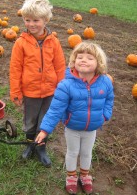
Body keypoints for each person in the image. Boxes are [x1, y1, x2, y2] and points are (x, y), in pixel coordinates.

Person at [35, 42, 114, 194]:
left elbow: (109, 99)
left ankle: (84, 175)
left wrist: (105, 115)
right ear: (74, 61)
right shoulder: (66, 85)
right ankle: (71, 176)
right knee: (72, 152)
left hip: (92, 128)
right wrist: (44, 130)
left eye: (90, 58)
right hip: (72, 127)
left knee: (86, 152)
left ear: (99, 63)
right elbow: (55, 109)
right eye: (80, 57)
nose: (84, 60)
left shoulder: (105, 82)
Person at [9, 0, 66, 167]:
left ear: (46, 20)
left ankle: (41, 148)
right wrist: (16, 92)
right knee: (31, 121)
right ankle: (29, 144)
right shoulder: (20, 43)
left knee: (45, 121)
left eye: (36, 20)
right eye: (27, 20)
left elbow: (60, 66)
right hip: (30, 91)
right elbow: (15, 69)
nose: (31, 24)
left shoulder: (54, 42)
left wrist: (62, 89)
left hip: (50, 91)